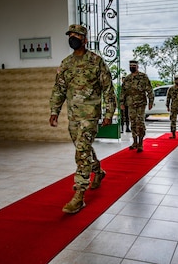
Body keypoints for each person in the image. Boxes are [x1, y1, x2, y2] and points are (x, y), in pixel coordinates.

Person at [49, 24, 117, 214]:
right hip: (73, 116)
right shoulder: (66, 64)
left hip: (90, 116)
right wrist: (54, 110)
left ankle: (79, 194)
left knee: (81, 151)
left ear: (84, 39)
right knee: (83, 148)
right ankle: (99, 171)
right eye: (70, 35)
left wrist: (109, 113)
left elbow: (108, 89)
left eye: (76, 35)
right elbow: (59, 89)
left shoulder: (96, 62)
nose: (72, 38)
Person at [120, 60, 154, 152]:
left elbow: (150, 89)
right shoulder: (127, 78)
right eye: (130, 66)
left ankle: (140, 143)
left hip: (140, 103)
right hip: (130, 103)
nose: (132, 67)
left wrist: (151, 101)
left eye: (133, 66)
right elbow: (123, 91)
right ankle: (134, 142)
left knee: (140, 122)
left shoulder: (143, 77)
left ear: (137, 67)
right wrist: (122, 103)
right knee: (133, 122)